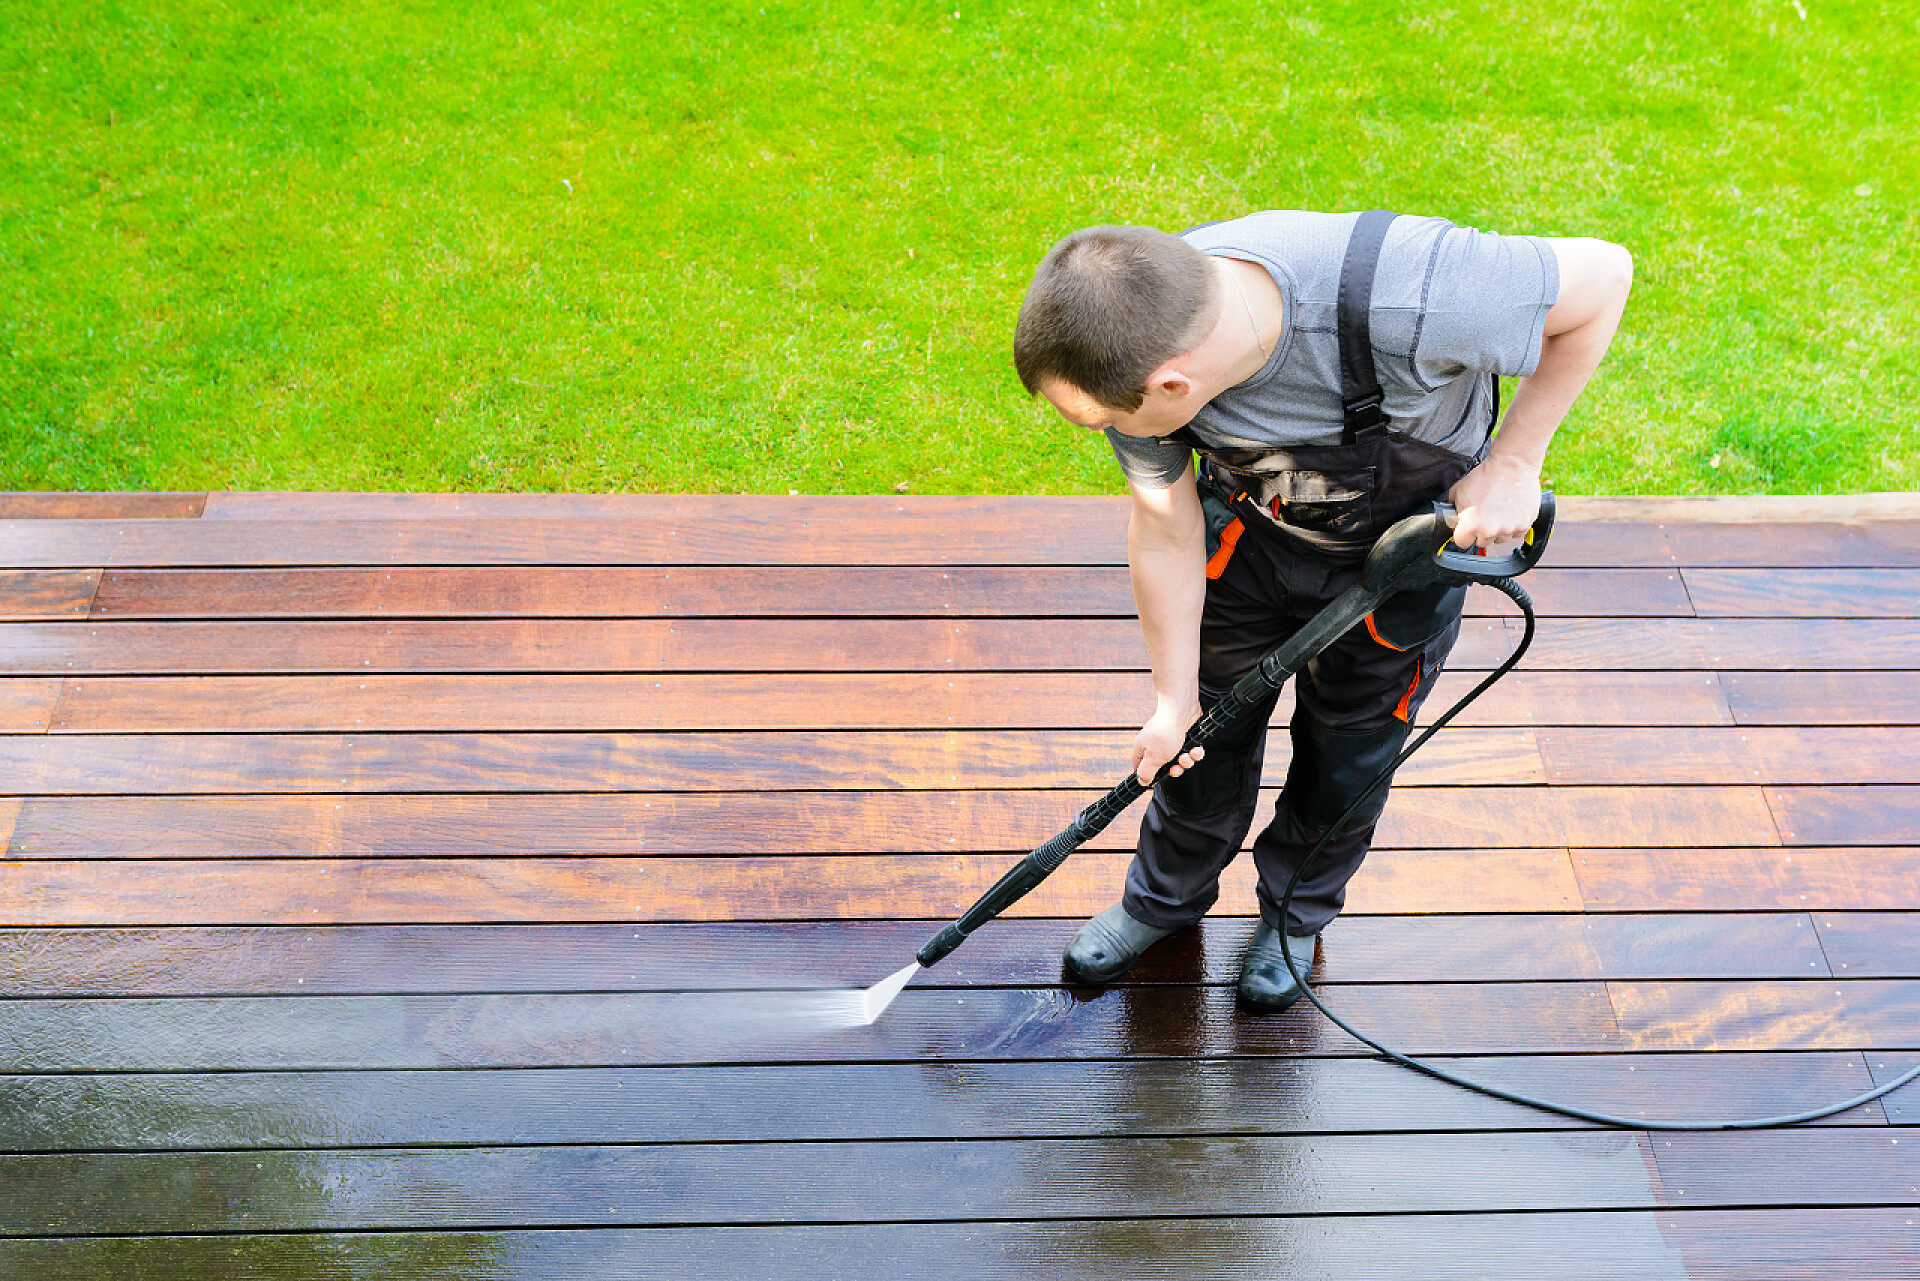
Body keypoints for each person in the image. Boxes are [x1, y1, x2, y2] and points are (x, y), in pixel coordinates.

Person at [1012, 210, 1631, 1009]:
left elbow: (1604, 273)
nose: (1097, 433)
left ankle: (1292, 915)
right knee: (1201, 733)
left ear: (1174, 385)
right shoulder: (1131, 332)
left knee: (1351, 751)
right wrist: (1169, 701)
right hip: (1251, 543)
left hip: (1401, 565)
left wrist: (1515, 460)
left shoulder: (1418, 292)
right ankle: (1161, 902)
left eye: (1099, 422)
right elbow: (1164, 523)